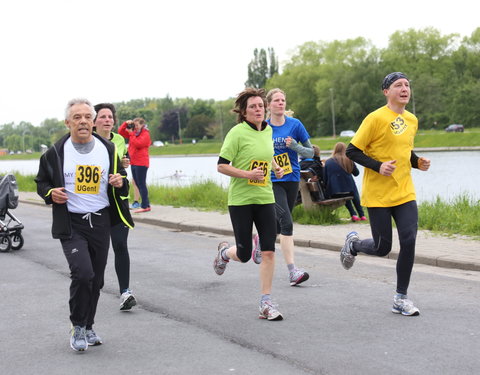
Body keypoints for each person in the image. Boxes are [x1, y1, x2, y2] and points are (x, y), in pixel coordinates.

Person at [35, 98, 134, 351]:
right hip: (72, 222)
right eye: (77, 117)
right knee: (83, 273)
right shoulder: (55, 153)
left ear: (93, 121)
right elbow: (41, 183)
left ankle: (89, 326)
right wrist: (50, 194)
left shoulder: (108, 149)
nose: (83, 121)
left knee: (97, 280)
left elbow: (122, 180)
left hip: (100, 219)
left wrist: (119, 181)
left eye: (87, 117)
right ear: (68, 123)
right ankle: (77, 326)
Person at [341, 72, 431, 316]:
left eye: (407, 85)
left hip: (404, 192)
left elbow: (404, 151)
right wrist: (378, 166)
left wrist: (417, 162)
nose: (404, 88)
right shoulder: (375, 118)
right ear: (386, 92)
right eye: (398, 85)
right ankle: (354, 245)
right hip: (378, 194)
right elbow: (352, 151)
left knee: (409, 240)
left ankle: (401, 298)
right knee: (382, 247)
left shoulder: (412, 119)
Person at [213, 88, 285, 320]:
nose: (258, 110)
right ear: (244, 112)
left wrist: (275, 167)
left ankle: (266, 302)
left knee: (269, 252)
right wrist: (246, 174)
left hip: (265, 198)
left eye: (260, 106)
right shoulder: (237, 133)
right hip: (241, 201)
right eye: (253, 107)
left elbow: (266, 153)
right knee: (244, 254)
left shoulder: (269, 131)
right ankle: (225, 253)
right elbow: (221, 165)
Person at [265, 88, 314, 286]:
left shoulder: (295, 125)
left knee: (278, 225)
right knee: (287, 222)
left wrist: (294, 146)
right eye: (276, 100)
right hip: (271, 180)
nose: (280, 103)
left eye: (283, 100)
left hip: (292, 178)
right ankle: (293, 271)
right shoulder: (263, 127)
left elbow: (310, 152)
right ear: (268, 105)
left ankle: (260, 241)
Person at [94, 103, 137, 310]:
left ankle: (125, 292)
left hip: (118, 201)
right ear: (94, 122)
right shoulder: (88, 142)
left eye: (110, 117)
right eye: (102, 117)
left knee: (120, 245)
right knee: (97, 250)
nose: (107, 120)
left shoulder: (119, 140)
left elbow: (123, 168)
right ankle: (92, 288)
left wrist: (121, 172)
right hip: (94, 203)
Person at [324, 142, 366, 221]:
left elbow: (325, 178)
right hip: (349, 191)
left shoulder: (328, 162)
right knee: (352, 190)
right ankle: (362, 215)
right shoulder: (349, 159)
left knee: (343, 191)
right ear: (345, 150)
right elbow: (356, 173)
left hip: (334, 192)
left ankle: (353, 214)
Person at [119, 117, 151, 213]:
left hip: (141, 162)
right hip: (134, 162)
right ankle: (146, 204)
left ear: (142, 125)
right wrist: (126, 123)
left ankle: (145, 206)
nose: (135, 127)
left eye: (137, 125)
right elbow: (120, 132)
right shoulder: (134, 134)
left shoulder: (145, 134)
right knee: (137, 183)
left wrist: (131, 133)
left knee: (141, 184)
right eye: (134, 125)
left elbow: (138, 144)